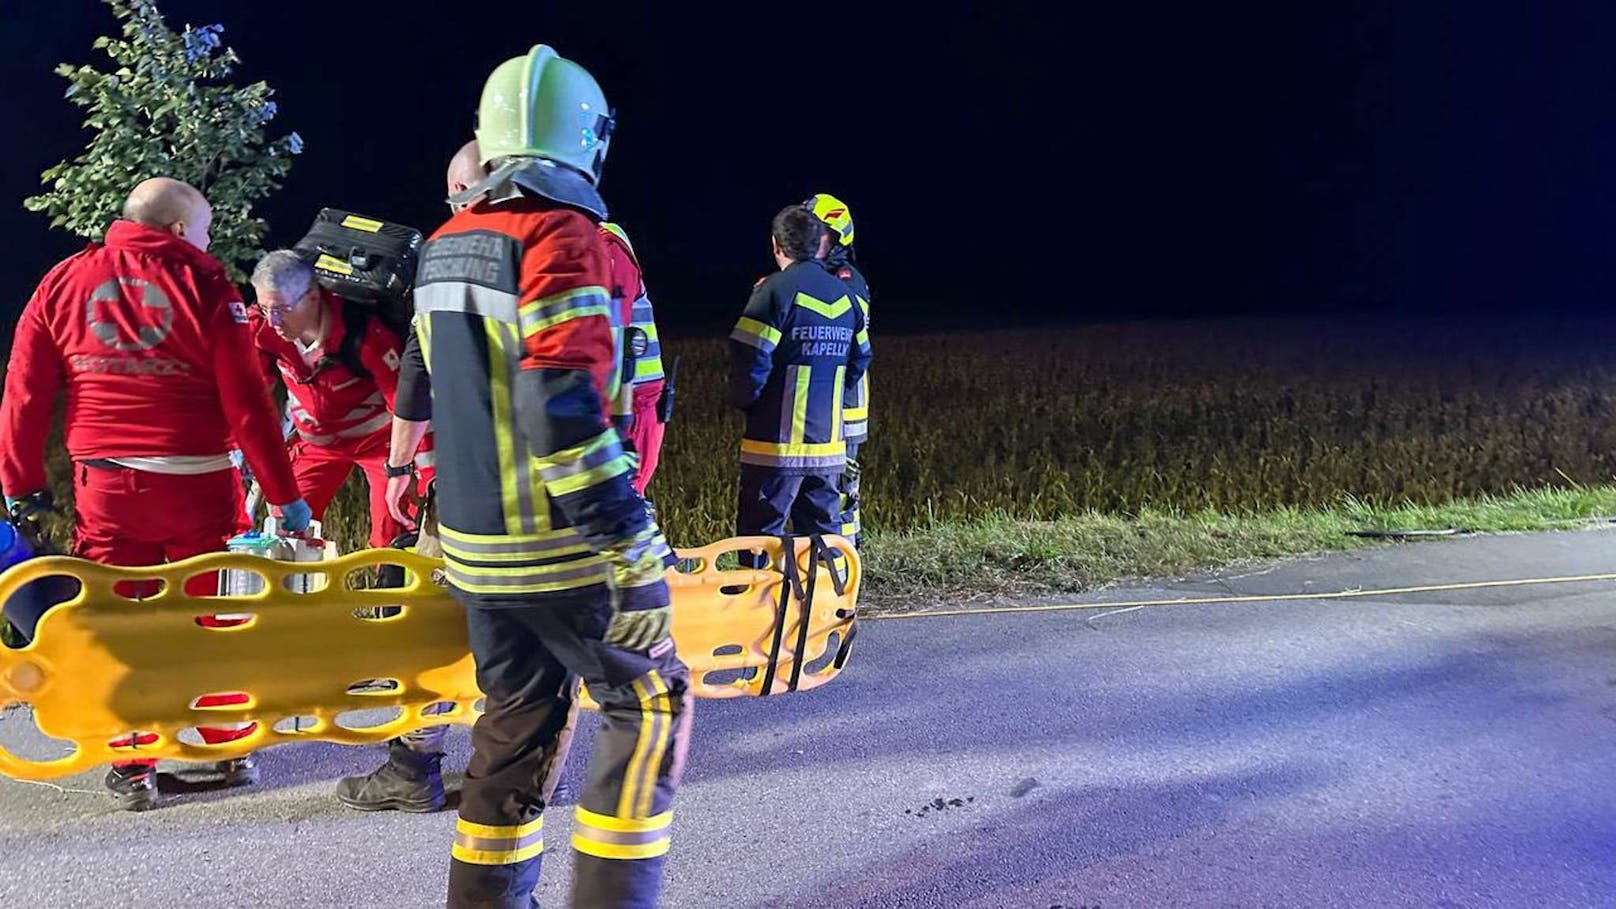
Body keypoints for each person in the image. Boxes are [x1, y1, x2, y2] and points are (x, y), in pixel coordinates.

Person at [407, 46, 691, 909]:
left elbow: (449, 394)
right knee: (652, 707)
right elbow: (561, 409)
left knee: (514, 725)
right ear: (589, 139)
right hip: (566, 551)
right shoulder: (567, 239)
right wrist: (633, 549)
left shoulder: (447, 245)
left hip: (477, 552)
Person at [0, 177, 311, 811]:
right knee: (212, 618)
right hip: (199, 483)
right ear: (175, 231)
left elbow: (25, 390)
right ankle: (226, 744)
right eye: (201, 232)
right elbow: (249, 404)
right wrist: (286, 496)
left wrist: (21, 487)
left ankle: (134, 763)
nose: (206, 243)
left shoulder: (63, 280)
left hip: (107, 487)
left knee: (125, 622)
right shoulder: (206, 284)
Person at [246, 250, 433, 549]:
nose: (274, 321)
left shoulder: (366, 336)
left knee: (394, 530)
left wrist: (417, 471)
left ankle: (387, 594)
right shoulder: (261, 330)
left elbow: (406, 405)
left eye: (282, 308)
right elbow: (247, 398)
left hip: (379, 444)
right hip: (314, 444)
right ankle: (300, 594)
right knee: (285, 533)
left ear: (312, 296)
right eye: (267, 309)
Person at [729, 206, 872, 563]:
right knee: (824, 540)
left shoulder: (772, 291)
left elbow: (749, 356)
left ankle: (760, 616)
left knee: (760, 539)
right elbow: (862, 357)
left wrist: (751, 402)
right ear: (818, 244)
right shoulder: (846, 296)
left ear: (777, 245)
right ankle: (831, 615)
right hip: (828, 448)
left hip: (774, 445)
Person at [804, 193, 871, 546]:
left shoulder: (847, 281)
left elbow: (851, 350)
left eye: (817, 231)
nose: (809, 237)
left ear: (837, 238)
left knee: (841, 490)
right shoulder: (819, 276)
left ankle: (844, 566)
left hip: (844, 409)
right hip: (822, 408)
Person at [597, 221, 668, 495]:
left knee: (624, 497)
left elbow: (611, 330)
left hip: (632, 399)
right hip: (612, 397)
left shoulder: (606, 245)